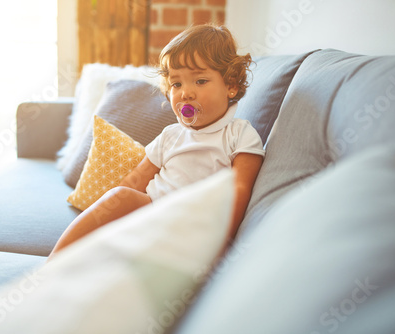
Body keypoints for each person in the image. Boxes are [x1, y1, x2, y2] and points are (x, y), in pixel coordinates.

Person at [47, 24, 264, 260]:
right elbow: (135, 181)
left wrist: (222, 241)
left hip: (192, 227)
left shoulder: (240, 134)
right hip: (150, 212)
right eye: (177, 84)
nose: (185, 93)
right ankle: (55, 261)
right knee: (121, 196)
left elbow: (240, 189)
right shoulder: (171, 135)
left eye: (200, 81)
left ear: (230, 86)